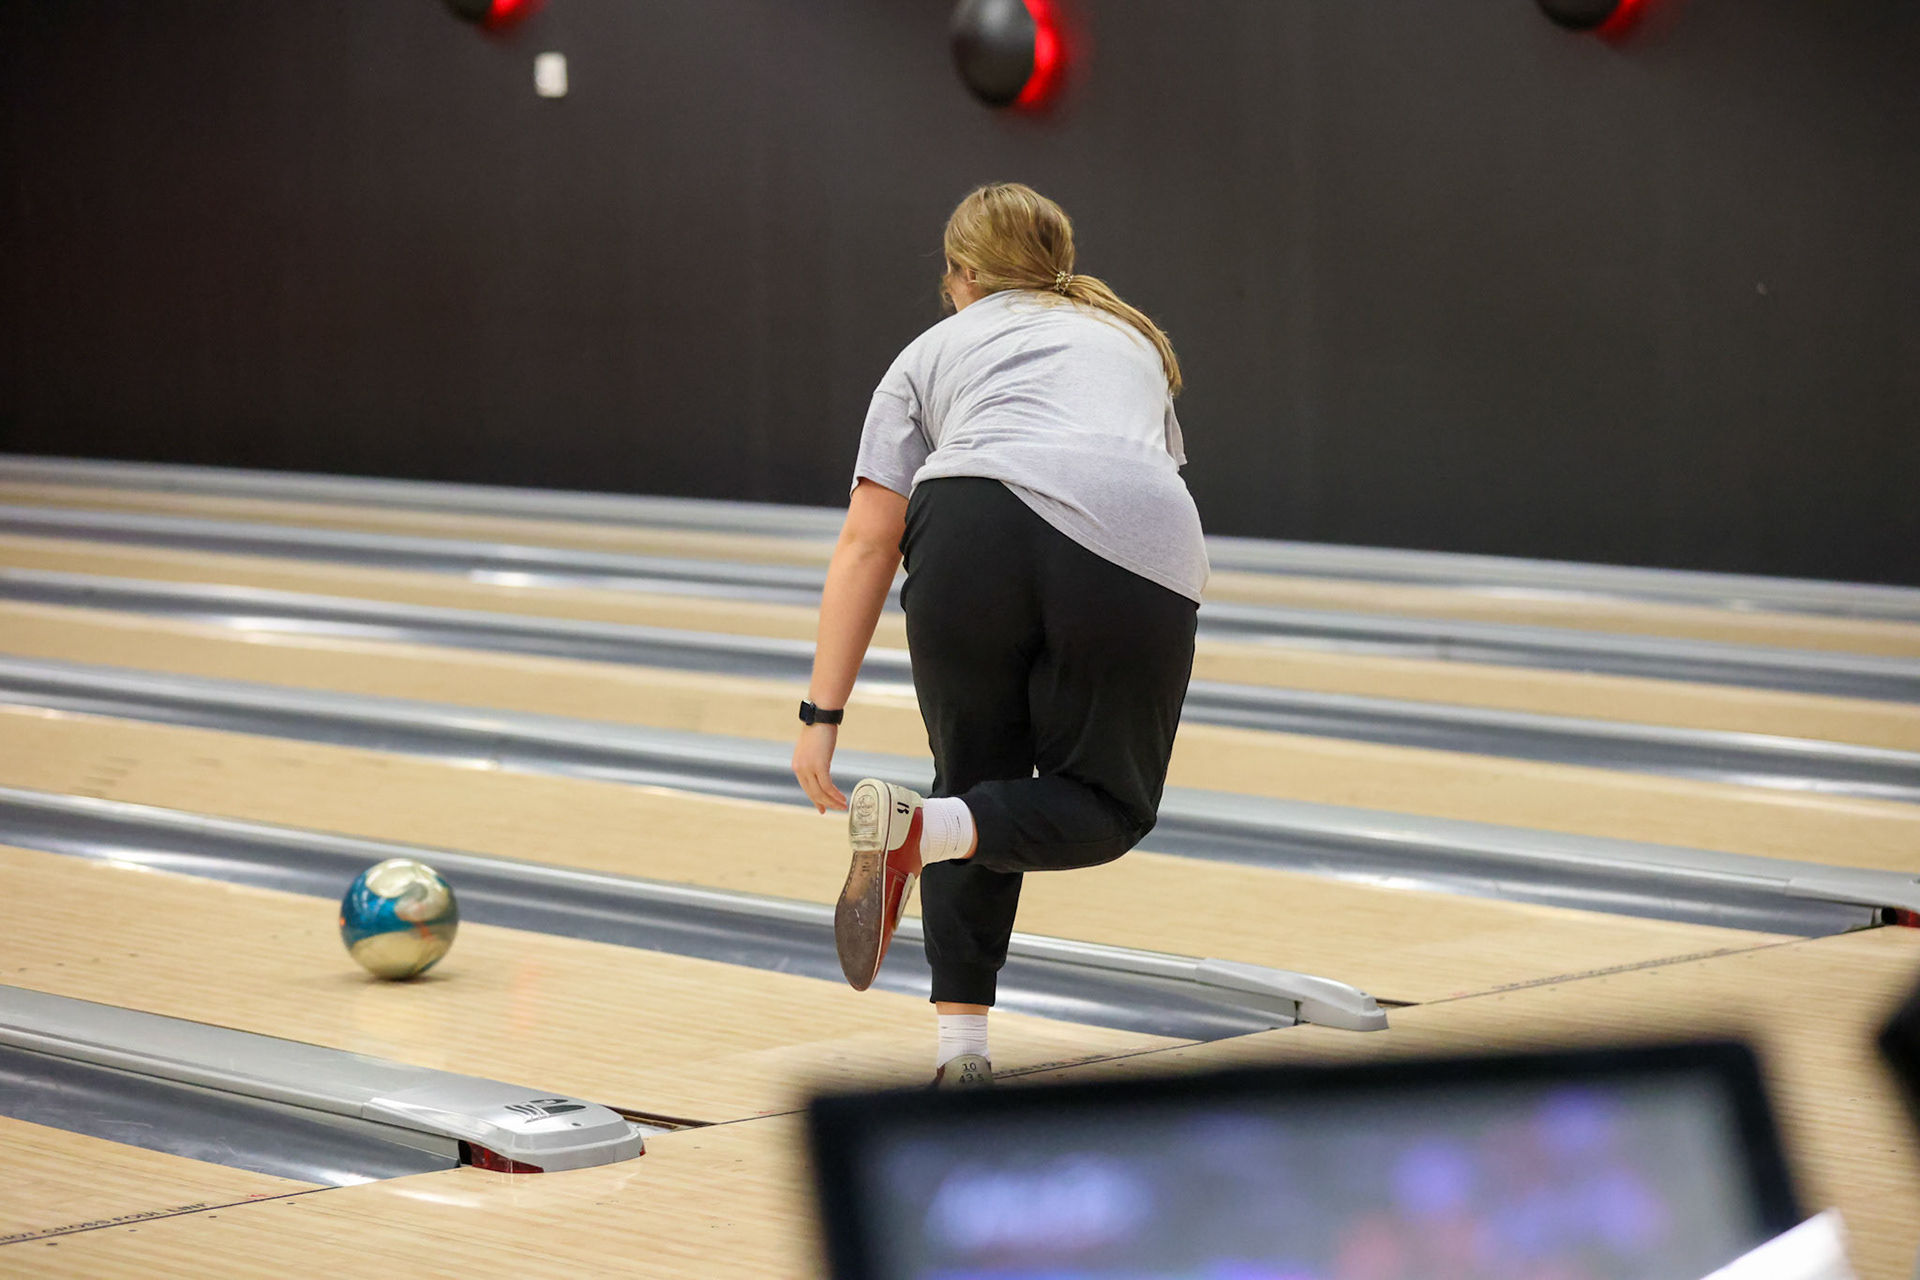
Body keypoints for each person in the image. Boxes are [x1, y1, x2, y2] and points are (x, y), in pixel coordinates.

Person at [791, 182, 1207, 1088]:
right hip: (1131, 539)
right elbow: (1136, 473)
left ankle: (962, 1056)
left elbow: (868, 540)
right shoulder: (1132, 340)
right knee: (1104, 804)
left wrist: (820, 713)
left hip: (966, 521)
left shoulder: (927, 352)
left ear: (962, 275)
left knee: (972, 792)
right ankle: (924, 829)